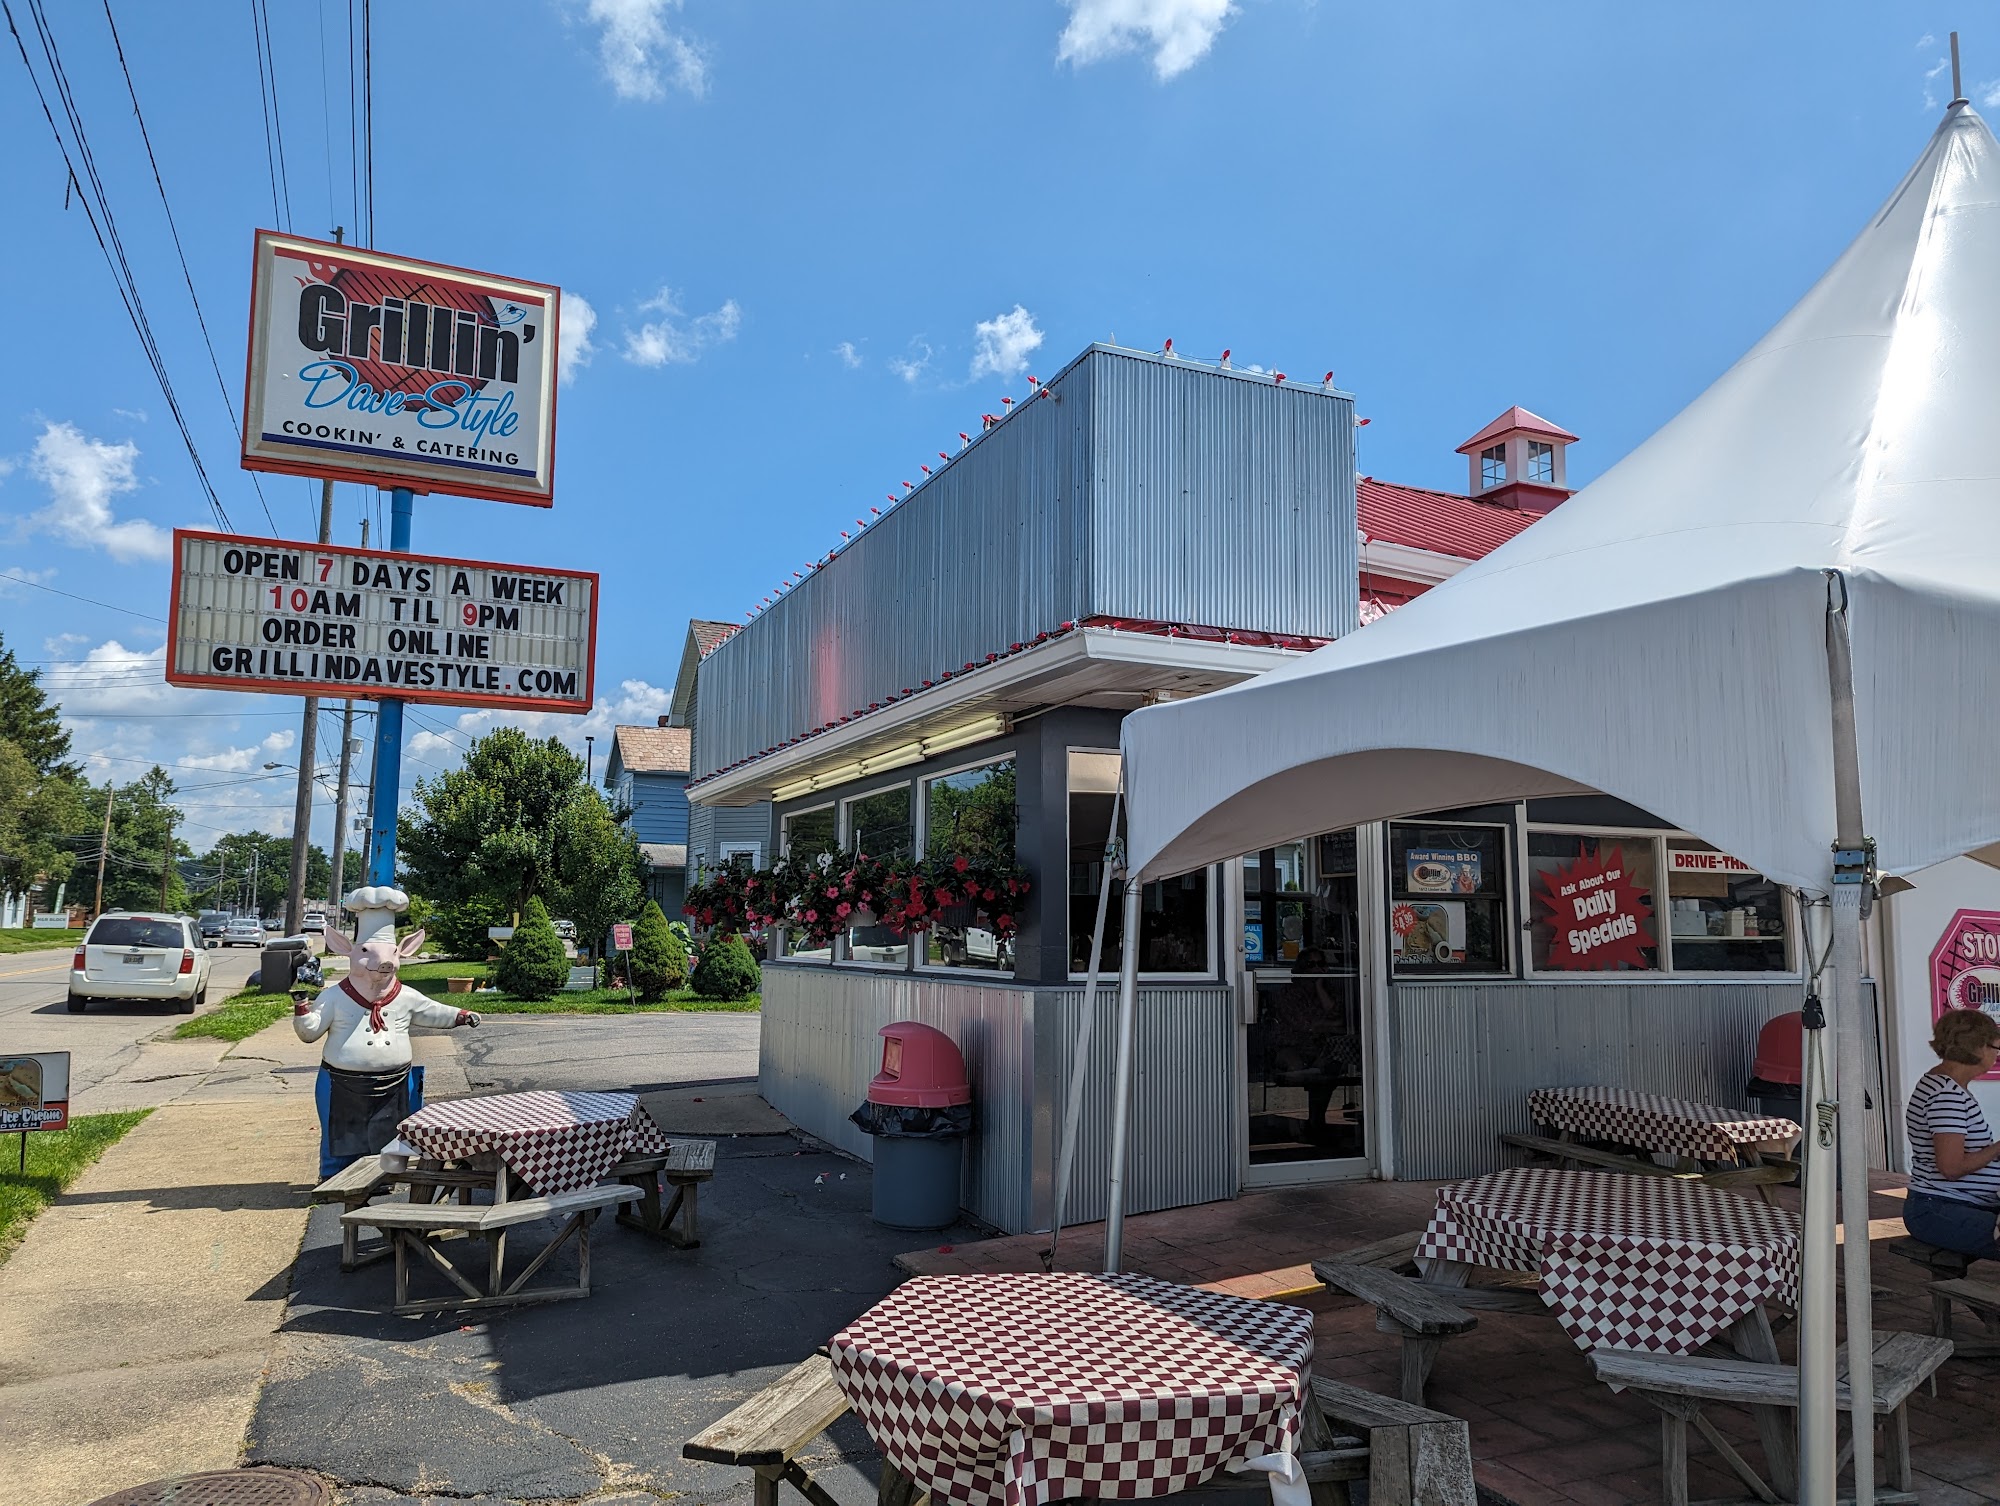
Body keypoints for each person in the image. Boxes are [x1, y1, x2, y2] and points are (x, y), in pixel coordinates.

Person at [296, 926, 479, 1181]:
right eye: (366, 953)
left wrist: (460, 1016)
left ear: (400, 954)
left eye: (392, 954)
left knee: (390, 1134)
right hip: (342, 1081)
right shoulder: (334, 996)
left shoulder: (404, 996)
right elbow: (310, 1032)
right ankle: (334, 1178)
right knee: (340, 1133)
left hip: (396, 1079)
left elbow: (432, 1011)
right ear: (347, 951)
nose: (383, 962)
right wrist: (302, 1013)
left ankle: (385, 1177)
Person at [1902, 1008, 2000, 1262]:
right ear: (1977, 1048)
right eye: (1995, 1048)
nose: (1996, 1056)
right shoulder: (1947, 1095)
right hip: (1940, 1210)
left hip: (1950, 1204)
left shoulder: (1944, 1085)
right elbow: (1952, 1168)